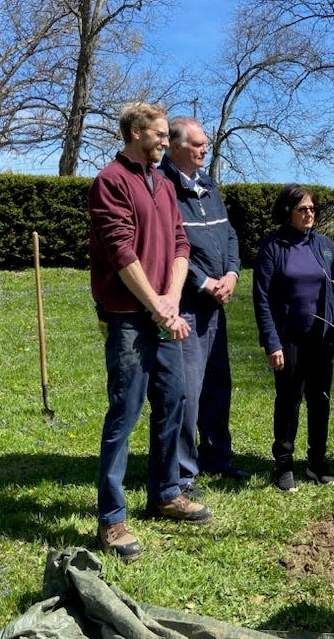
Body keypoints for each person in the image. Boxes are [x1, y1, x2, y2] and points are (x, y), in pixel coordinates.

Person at [88, 102, 212, 562]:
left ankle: (165, 493)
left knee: (174, 400)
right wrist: (155, 304)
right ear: (137, 131)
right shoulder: (110, 182)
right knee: (124, 411)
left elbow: (181, 243)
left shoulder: (162, 184)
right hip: (128, 317)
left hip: (164, 313)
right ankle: (112, 518)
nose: (166, 140)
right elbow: (120, 252)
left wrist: (172, 299)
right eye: (160, 134)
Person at [158, 116, 249, 499]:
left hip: (216, 304)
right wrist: (204, 281)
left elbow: (228, 234)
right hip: (188, 307)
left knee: (217, 384)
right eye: (197, 144)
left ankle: (216, 457)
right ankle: (182, 474)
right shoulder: (163, 187)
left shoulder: (209, 186)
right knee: (188, 391)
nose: (204, 150)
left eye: (206, 144)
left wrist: (231, 274)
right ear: (175, 146)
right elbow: (169, 245)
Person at [252, 184, 334, 492]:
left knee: (320, 401)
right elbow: (262, 298)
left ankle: (317, 461)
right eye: (302, 210)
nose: (309, 214)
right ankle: (283, 463)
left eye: (312, 209)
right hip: (288, 339)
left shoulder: (325, 245)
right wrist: (272, 342)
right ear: (287, 213)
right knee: (289, 400)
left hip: (321, 339)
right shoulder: (273, 246)